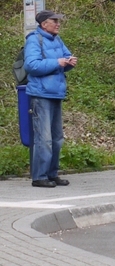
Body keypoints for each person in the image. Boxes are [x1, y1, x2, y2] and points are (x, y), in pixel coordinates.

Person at [24, 10, 77, 188]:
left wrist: (69, 63)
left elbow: (64, 59)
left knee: (57, 139)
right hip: (40, 94)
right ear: (43, 24)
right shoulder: (34, 40)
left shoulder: (58, 40)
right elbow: (31, 65)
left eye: (58, 21)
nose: (58, 24)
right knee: (44, 138)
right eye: (54, 21)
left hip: (56, 93)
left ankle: (52, 174)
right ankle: (39, 176)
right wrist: (57, 63)